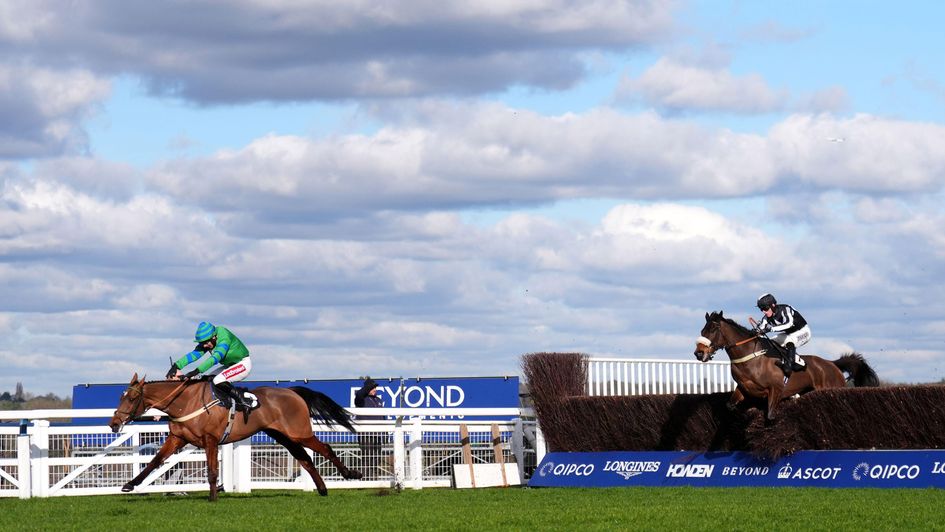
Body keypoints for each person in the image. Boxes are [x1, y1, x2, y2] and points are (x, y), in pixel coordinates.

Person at [166, 321, 258, 413]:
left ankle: (245, 401)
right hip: (230, 365)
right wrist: (176, 366)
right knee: (208, 379)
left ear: (214, 337)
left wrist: (196, 371)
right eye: (202, 343)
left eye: (206, 343)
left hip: (243, 364)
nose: (204, 346)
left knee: (218, 380)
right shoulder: (209, 339)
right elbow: (194, 355)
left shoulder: (224, 337)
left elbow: (216, 358)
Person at [755, 293, 810, 377]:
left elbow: (789, 324)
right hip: (789, 334)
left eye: (765, 308)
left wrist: (771, 329)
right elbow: (760, 330)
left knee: (789, 340)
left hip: (803, 332)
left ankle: (794, 364)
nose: (763, 311)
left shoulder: (785, 309)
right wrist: (756, 332)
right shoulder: (766, 318)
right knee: (770, 342)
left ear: (773, 305)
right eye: (761, 309)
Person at [354, 377, 385, 477]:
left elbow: (383, 417)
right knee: (367, 457)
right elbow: (359, 394)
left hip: (378, 434)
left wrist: (385, 433)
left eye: (375, 387)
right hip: (365, 434)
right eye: (372, 388)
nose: (375, 389)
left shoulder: (378, 400)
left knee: (377, 457)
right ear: (367, 389)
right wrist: (367, 387)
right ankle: (366, 478)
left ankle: (374, 478)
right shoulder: (361, 400)